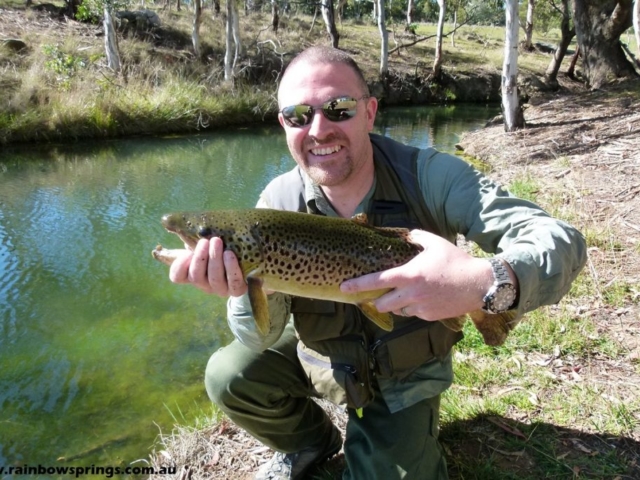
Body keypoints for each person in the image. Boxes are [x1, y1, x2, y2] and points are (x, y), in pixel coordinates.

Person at [168, 46, 587, 480]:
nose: (319, 129)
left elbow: (561, 240)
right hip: (326, 356)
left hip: (404, 371)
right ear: (284, 125)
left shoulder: (430, 176)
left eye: (338, 108)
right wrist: (247, 290)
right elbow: (258, 337)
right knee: (229, 374)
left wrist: (483, 280)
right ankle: (312, 442)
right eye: (298, 115)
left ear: (369, 112)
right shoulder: (276, 202)